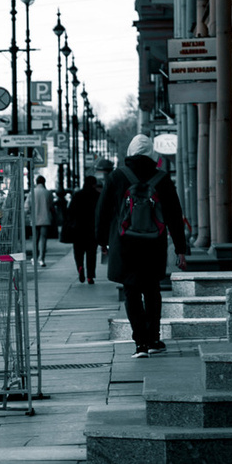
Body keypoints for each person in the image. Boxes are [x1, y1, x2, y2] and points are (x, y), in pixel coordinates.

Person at [96, 145, 188, 355]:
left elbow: (102, 211)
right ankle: (154, 339)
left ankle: (140, 343)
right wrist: (180, 249)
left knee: (131, 292)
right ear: (151, 154)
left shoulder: (117, 177)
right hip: (153, 244)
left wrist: (102, 241)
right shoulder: (162, 179)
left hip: (124, 245)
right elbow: (174, 215)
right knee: (152, 291)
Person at [64, 172, 101, 284]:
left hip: (78, 229)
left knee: (78, 252)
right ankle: (90, 276)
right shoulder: (97, 196)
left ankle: (80, 267)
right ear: (94, 184)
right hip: (92, 229)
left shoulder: (77, 195)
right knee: (91, 253)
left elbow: (70, 211)